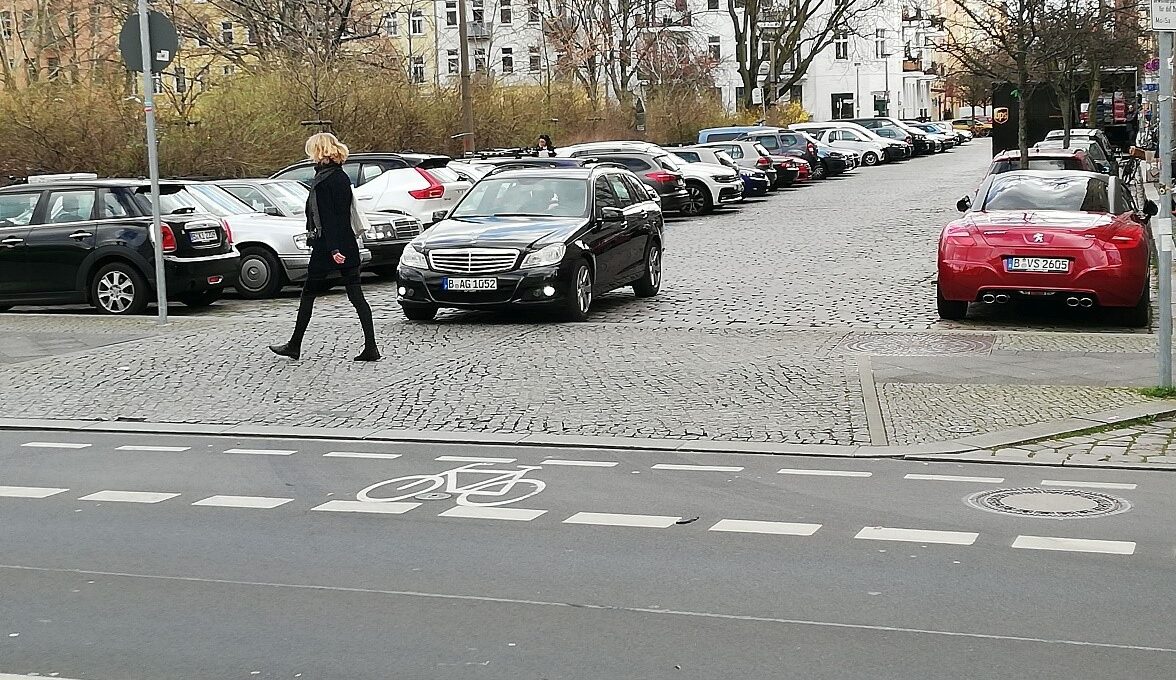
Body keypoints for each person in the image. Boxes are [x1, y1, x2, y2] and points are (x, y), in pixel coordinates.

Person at [270, 132, 380, 362]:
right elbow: (342, 215)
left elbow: (329, 218)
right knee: (356, 295)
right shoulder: (340, 176)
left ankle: (294, 344)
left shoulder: (323, 181)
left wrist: (333, 250)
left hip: (328, 246)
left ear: (319, 152)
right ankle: (371, 347)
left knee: (308, 294)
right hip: (347, 242)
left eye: (311, 151)